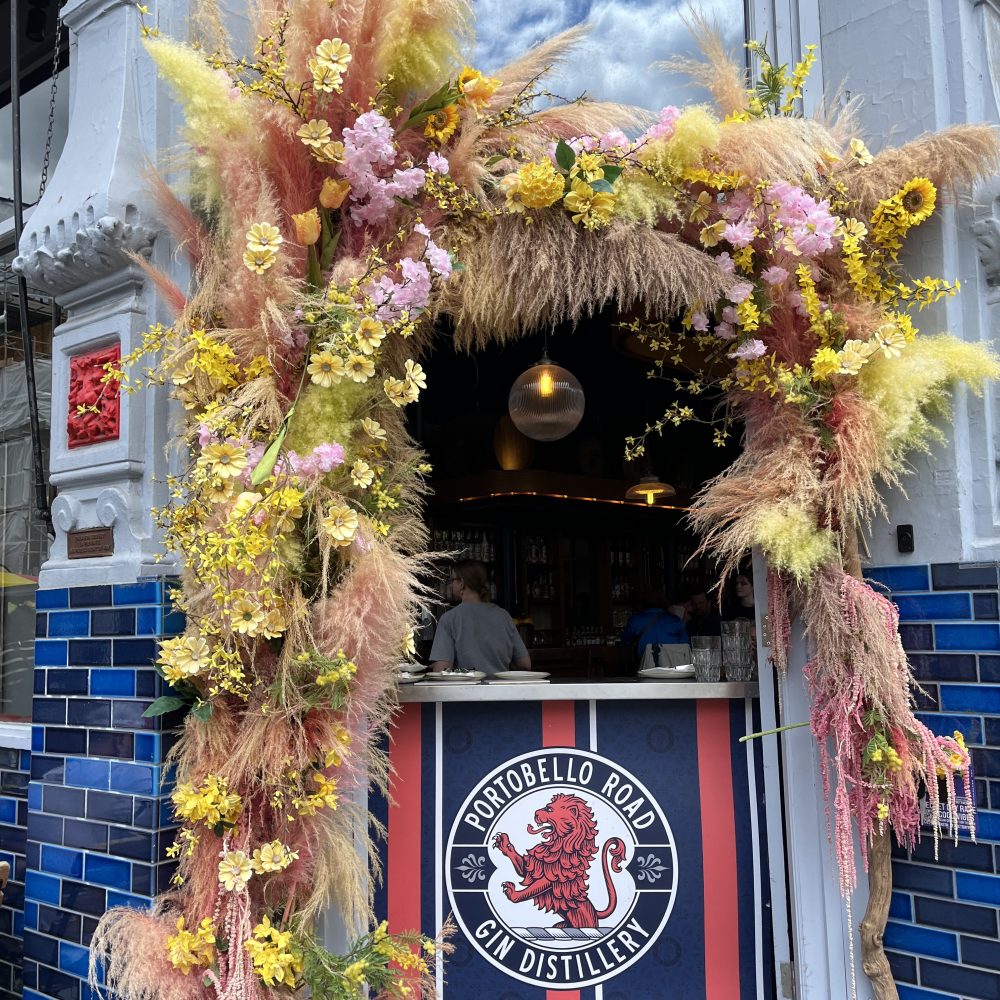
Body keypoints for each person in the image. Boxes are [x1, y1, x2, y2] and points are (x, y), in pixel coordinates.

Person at [430, 560, 531, 676]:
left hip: (466, 692)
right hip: (501, 691)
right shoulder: (503, 616)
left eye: (452, 580)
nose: (451, 584)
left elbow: (443, 670)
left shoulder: (449, 619)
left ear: (461, 583)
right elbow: (525, 664)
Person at [621, 589, 689, 654]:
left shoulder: (635, 619)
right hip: (671, 662)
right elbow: (685, 645)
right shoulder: (674, 620)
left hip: (646, 663)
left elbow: (625, 640)